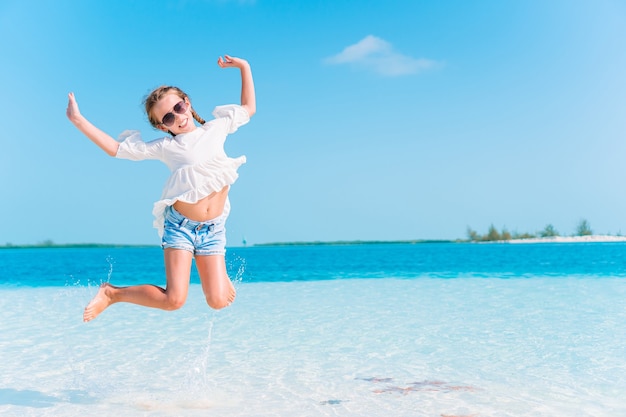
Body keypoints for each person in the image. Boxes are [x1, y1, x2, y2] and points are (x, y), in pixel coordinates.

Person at [66, 55, 256, 322]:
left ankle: (215, 271)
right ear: (160, 125)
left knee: (218, 302)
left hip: (213, 229)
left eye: (178, 107)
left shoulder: (216, 129)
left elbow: (248, 107)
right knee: (174, 300)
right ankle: (112, 294)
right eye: (168, 117)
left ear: (187, 103)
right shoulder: (167, 147)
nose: (177, 117)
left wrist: (243, 67)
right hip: (181, 227)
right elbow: (116, 149)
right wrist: (78, 120)